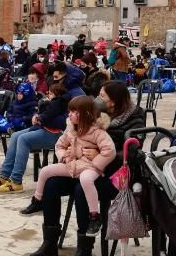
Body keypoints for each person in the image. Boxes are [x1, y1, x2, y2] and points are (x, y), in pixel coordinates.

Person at [29, 80, 146, 256]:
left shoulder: (134, 117)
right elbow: (70, 138)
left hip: (114, 174)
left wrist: (99, 156)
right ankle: (49, 243)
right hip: (83, 167)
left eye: (103, 96)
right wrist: (74, 154)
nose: (98, 98)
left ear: (114, 102)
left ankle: (84, 252)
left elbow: (132, 152)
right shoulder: (91, 112)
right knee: (51, 184)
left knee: (81, 189)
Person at [31, 96, 116, 237]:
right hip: (73, 165)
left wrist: (96, 164)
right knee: (46, 171)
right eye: (69, 111)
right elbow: (59, 145)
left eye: (73, 112)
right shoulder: (71, 129)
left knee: (86, 180)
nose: (69, 114)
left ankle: (94, 216)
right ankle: (38, 200)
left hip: (90, 166)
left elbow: (110, 151)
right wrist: (64, 155)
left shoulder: (98, 132)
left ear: (85, 114)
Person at [0, 83, 70, 194]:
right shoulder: (51, 102)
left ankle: (16, 181)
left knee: (23, 139)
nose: (48, 94)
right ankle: (4, 176)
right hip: (44, 128)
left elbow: (60, 122)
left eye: (51, 92)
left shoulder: (63, 103)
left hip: (57, 134)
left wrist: (40, 118)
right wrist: (38, 116)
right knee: (15, 136)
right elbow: (44, 115)